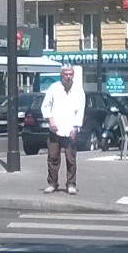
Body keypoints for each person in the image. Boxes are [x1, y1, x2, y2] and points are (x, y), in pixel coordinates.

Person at [41, 65, 86, 194]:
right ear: (62, 75)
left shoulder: (78, 90)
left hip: (70, 128)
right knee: (53, 157)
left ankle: (71, 184)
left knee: (70, 158)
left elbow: (80, 111)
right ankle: (52, 183)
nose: (68, 77)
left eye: (70, 74)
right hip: (55, 128)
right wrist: (50, 120)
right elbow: (45, 106)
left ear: (73, 75)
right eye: (66, 74)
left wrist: (76, 128)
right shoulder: (54, 88)